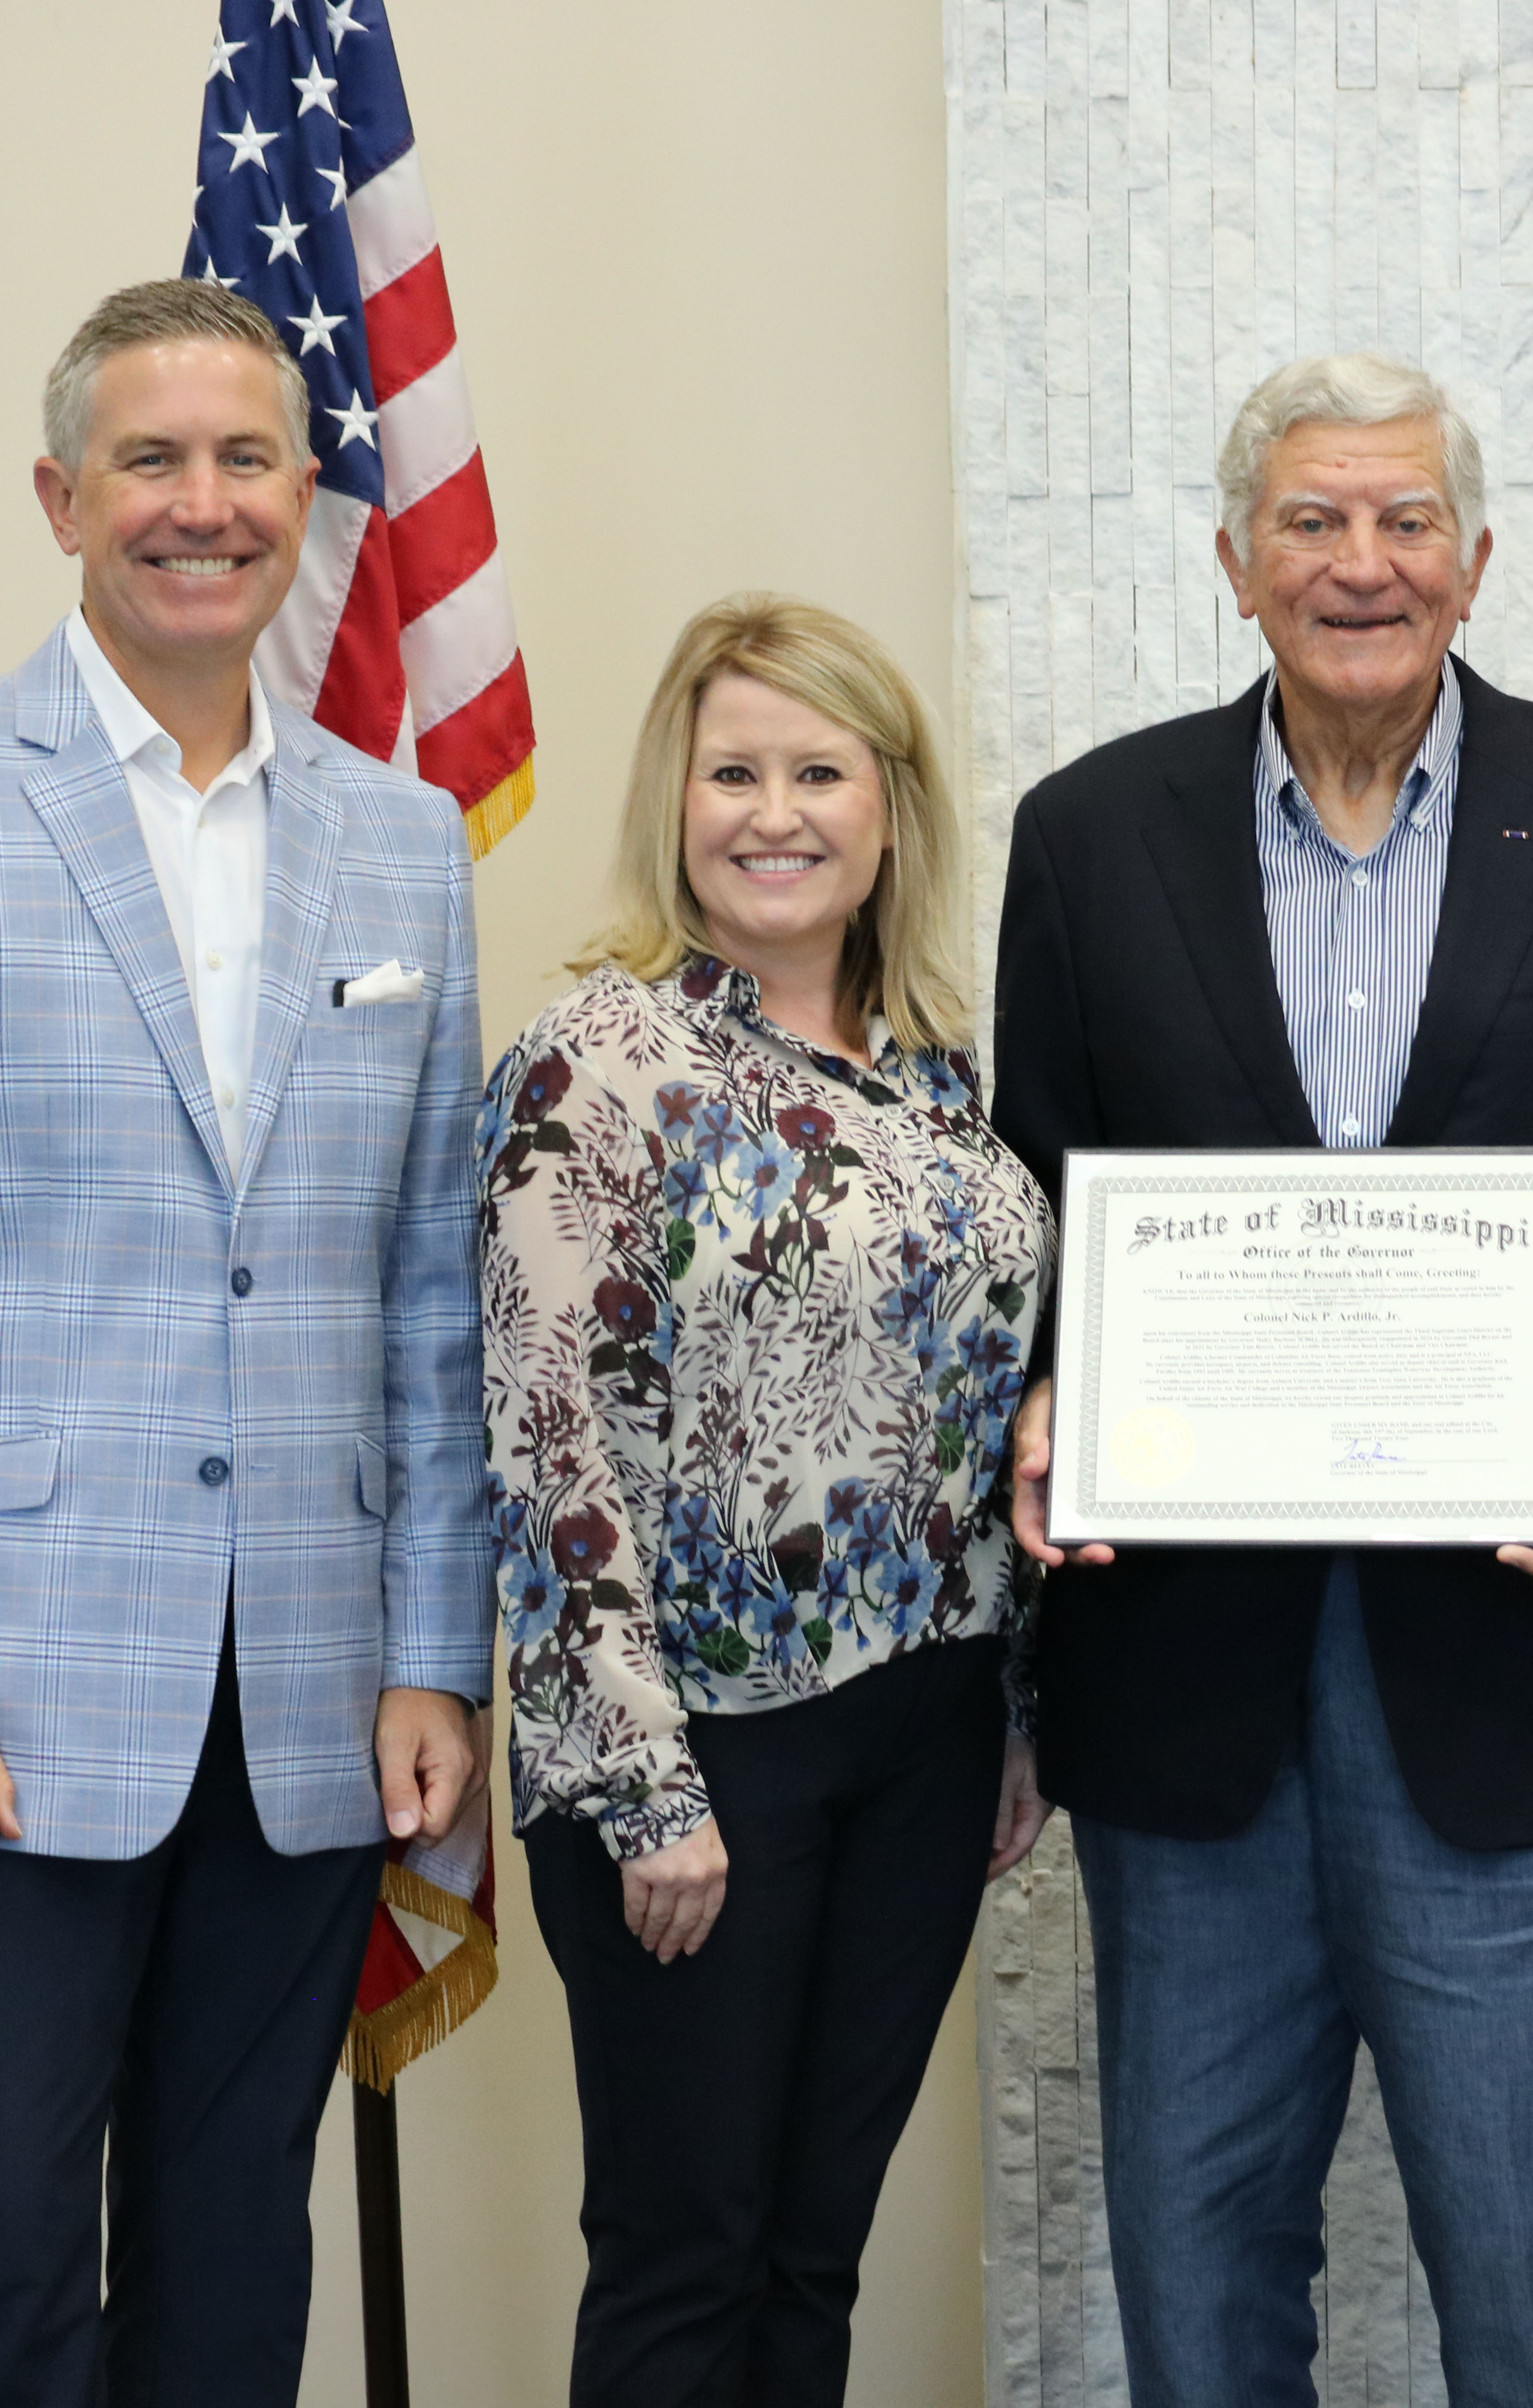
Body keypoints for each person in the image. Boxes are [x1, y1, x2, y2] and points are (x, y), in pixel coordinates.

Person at [0, 279, 490, 2408]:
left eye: (245, 458)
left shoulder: (407, 848)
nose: (200, 504)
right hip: (6, 1697)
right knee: (1, 2263)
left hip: (318, 1694)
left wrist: (436, 1652)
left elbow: (432, 1284)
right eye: (149, 460)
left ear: (305, 496)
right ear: (62, 498)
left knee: (239, 2261)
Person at [991, 353, 1533, 2405]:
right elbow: (1038, 1216)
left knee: (1529, 2278)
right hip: (1188, 1709)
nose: (1364, 564)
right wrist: (1053, 1392)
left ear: (1477, 558)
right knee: (1196, 2272)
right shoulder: (1088, 838)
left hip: (1512, 1689)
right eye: (1317, 525)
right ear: (1237, 564)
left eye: (1407, 522)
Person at [483, 594, 1052, 2404]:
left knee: (814, 2258)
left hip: (926, 1741)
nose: (777, 811)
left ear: (891, 808)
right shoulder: (601, 1063)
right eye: (735, 770)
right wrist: (644, 1789)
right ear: (677, 798)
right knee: (684, 2263)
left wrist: (1020, 1713)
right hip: (695, 1753)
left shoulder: (950, 1085)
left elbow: (977, 1435)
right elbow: (544, 1438)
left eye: (821, 769)